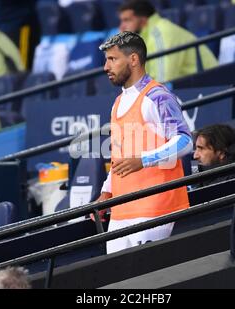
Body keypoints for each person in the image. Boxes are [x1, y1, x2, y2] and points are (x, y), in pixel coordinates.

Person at [95, 32, 193, 254]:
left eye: (112, 59)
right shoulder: (118, 101)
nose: (105, 67)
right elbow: (120, 155)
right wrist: (106, 191)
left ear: (133, 60)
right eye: (106, 60)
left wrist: (144, 160)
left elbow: (185, 141)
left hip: (155, 207)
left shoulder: (158, 96)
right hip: (121, 210)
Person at [118, 0, 218, 83]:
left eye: (127, 20)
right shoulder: (143, 38)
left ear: (143, 20)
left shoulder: (161, 32)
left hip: (211, 84)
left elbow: (164, 79)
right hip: (190, 87)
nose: (122, 26)